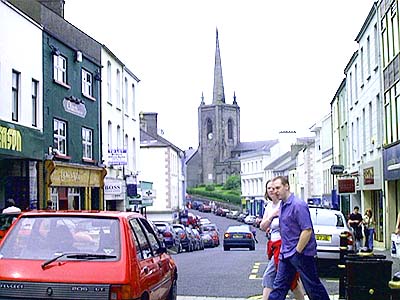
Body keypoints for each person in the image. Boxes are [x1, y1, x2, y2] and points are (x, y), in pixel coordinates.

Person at [268, 176, 329, 300]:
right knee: (279, 286)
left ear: (287, 186)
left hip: (300, 254)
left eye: (278, 188)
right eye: (273, 189)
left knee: (312, 286)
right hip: (286, 254)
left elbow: (307, 230)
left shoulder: (298, 205)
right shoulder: (283, 205)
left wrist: (297, 251)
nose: (275, 191)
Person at [260, 180, 304, 300]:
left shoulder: (285, 204)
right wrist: (272, 216)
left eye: (274, 188)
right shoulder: (269, 206)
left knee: (270, 276)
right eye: (269, 188)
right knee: (292, 280)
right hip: (274, 245)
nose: (271, 190)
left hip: (284, 246)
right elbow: (263, 226)